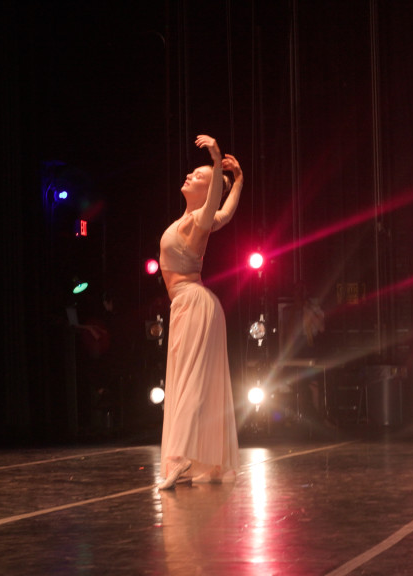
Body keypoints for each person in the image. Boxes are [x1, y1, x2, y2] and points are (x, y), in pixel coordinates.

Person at [158, 135, 243, 489]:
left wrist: (217, 157)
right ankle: (202, 461)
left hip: (193, 303)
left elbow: (216, 209)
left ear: (208, 191)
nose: (189, 176)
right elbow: (226, 212)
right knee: (187, 381)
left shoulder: (199, 220)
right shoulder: (193, 219)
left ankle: (180, 458)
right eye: (191, 173)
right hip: (187, 305)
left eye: (198, 176)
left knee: (192, 381)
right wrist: (239, 180)